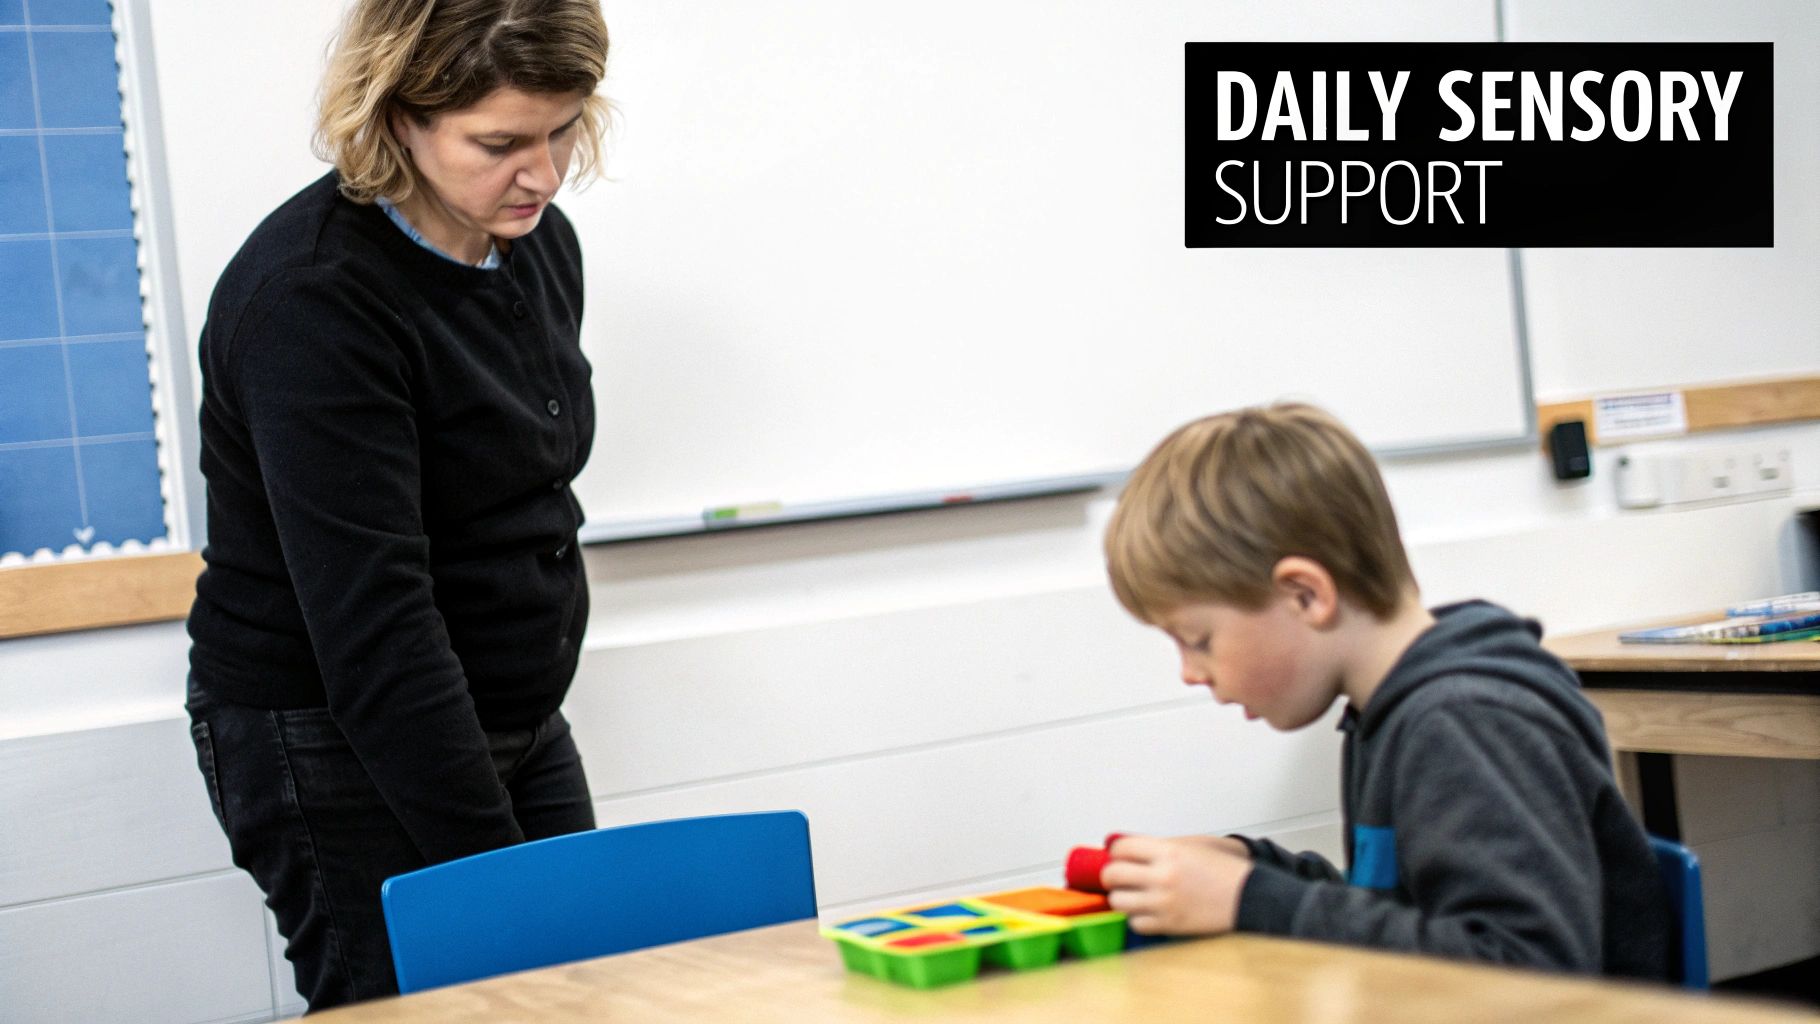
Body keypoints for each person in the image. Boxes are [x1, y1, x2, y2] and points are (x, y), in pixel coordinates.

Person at [183, 0, 612, 1009]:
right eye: (500, 143)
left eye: (563, 129)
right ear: (396, 117)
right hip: (331, 722)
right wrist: (494, 875)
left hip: (508, 710)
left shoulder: (537, 244)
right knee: (427, 1001)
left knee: (588, 983)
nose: (543, 173)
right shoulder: (313, 300)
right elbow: (374, 620)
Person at [1098, 403, 1670, 980]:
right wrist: (1254, 869)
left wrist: (1253, 899)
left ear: (1305, 595)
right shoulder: (1390, 710)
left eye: (1199, 639)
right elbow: (1404, 914)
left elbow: (1526, 967)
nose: (1190, 673)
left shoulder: (1464, 720)